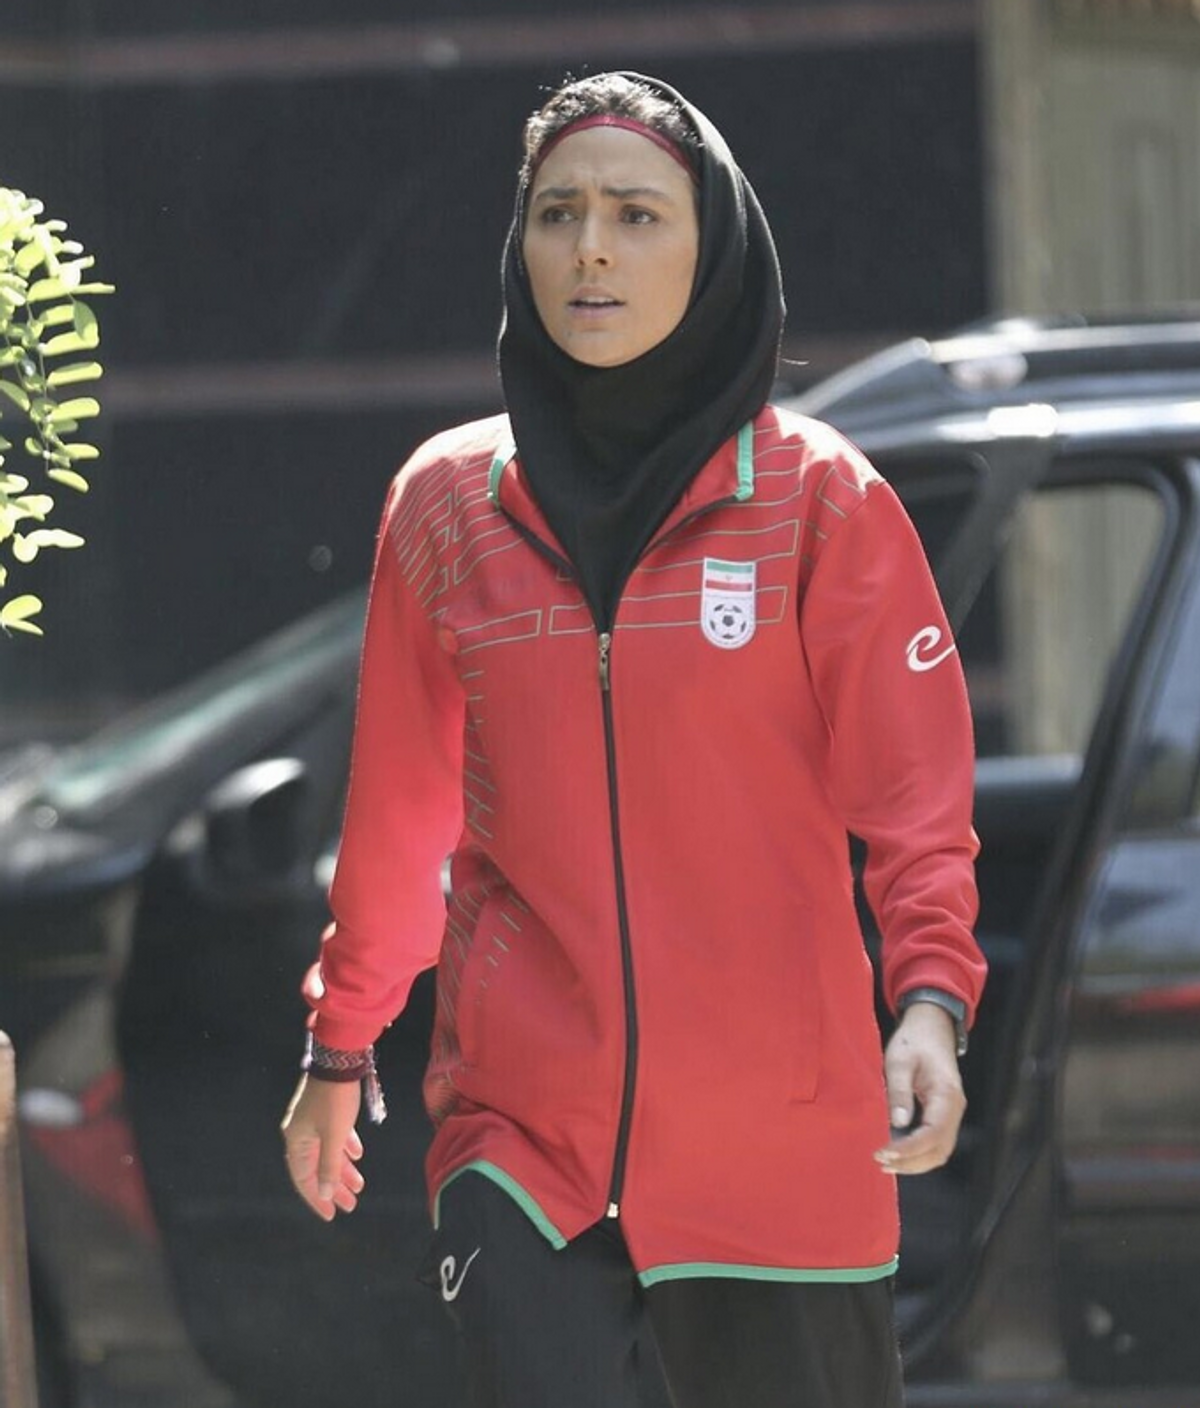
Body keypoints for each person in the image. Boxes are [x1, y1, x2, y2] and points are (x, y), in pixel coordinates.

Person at [281, 71, 986, 1408]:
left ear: (713, 250)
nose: (590, 250)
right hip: (519, 1141)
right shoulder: (447, 505)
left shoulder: (819, 503)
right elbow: (402, 818)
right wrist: (341, 1042)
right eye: (558, 214)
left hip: (781, 1154)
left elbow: (914, 806)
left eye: (636, 214)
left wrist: (931, 1007)